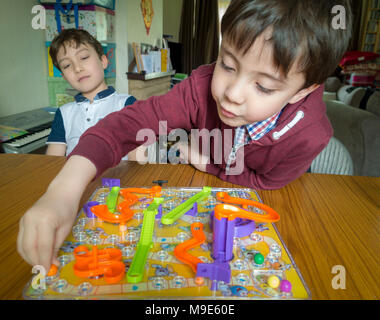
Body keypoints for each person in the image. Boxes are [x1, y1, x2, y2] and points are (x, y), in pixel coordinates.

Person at [18, 0, 353, 271]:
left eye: (263, 86)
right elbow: (124, 125)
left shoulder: (310, 137)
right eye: (228, 64)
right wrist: (62, 192)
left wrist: (208, 164)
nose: (231, 94)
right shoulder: (198, 88)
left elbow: (267, 184)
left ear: (302, 91)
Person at [45, 28, 141, 160]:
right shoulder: (64, 113)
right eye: (67, 65)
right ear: (64, 77)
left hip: (118, 180)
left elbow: (137, 161)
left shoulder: (126, 104)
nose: (77, 68)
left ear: (103, 61)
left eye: (84, 57)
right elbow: (52, 164)